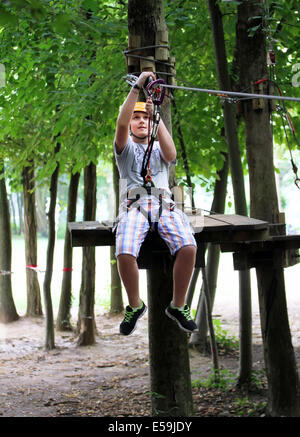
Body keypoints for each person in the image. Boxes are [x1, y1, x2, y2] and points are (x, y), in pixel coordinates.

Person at [114, 71, 198, 336]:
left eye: (145, 118)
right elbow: (120, 124)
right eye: (136, 118)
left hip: (163, 203)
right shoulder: (124, 150)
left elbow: (171, 153)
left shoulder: (160, 148)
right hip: (134, 205)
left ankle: (179, 305)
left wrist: (157, 115)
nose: (140, 122)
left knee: (188, 247)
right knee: (125, 251)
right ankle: (135, 305)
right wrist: (138, 87)